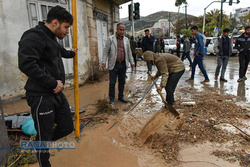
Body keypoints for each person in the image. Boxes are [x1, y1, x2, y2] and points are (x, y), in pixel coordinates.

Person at [18, 6, 76, 167]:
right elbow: (26, 63)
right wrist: (52, 83)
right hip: (41, 96)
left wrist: (72, 53)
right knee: (44, 134)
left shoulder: (52, 38)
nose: (67, 32)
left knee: (66, 127)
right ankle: (43, 156)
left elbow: (60, 51)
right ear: (55, 22)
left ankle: (39, 145)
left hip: (56, 93)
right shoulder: (33, 36)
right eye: (66, 27)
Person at [102, 23, 135, 106]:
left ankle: (121, 97)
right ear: (117, 29)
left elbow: (129, 52)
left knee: (122, 82)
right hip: (114, 64)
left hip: (123, 64)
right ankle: (112, 99)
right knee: (112, 83)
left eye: (123, 30)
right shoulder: (110, 39)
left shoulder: (126, 40)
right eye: (120, 29)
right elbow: (105, 51)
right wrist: (104, 62)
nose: (122, 31)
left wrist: (132, 62)